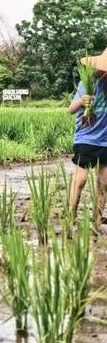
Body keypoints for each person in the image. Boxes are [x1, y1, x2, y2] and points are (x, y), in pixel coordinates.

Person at [69, 48, 107, 226]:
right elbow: (70, 110)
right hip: (86, 138)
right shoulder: (88, 83)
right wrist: (82, 101)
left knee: (104, 183)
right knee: (81, 179)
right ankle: (71, 217)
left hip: (105, 141)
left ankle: (98, 222)